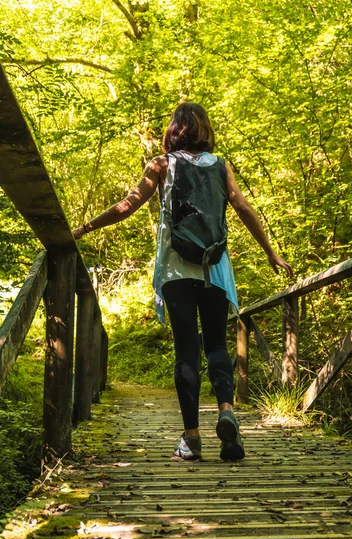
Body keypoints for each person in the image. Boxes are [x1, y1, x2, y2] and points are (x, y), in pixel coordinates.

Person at [73, 102, 293, 462]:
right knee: (217, 346)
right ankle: (226, 411)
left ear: (174, 130)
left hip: (176, 269)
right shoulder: (221, 165)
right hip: (215, 267)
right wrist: (270, 252)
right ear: (205, 130)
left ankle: (191, 439)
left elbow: (127, 205)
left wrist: (83, 228)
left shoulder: (160, 165)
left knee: (187, 350)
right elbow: (242, 206)